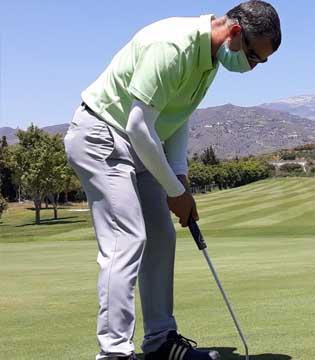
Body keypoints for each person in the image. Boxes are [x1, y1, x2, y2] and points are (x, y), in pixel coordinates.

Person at [63, 2, 281, 359]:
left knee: (161, 235)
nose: (254, 67)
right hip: (101, 134)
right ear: (236, 34)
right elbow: (137, 123)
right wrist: (175, 192)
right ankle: (114, 353)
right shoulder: (173, 46)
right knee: (127, 237)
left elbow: (176, 119)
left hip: (140, 143)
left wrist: (179, 179)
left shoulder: (208, 60)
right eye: (256, 57)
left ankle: (161, 341)